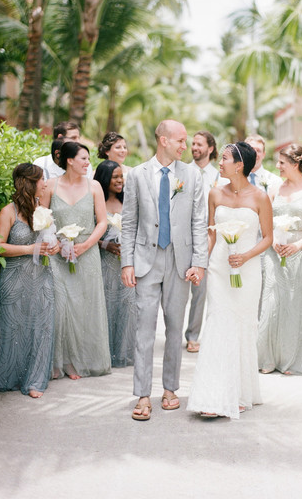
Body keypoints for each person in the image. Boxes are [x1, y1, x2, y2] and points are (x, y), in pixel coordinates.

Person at [121, 120, 208, 421]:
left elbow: (199, 220)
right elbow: (128, 221)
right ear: (163, 140)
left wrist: (199, 261)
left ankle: (170, 389)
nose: (186, 147)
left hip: (180, 261)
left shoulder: (192, 174)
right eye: (181, 141)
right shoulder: (137, 175)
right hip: (145, 259)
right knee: (143, 330)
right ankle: (143, 395)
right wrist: (127, 262)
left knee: (174, 328)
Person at [187, 142, 273, 419]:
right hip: (219, 268)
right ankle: (212, 393)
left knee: (242, 325)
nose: (219, 162)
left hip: (247, 270)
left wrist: (246, 255)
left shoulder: (260, 197)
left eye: (223, 158)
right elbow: (210, 234)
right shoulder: (214, 193)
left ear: (239, 165)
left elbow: (268, 238)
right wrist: (200, 265)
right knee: (218, 321)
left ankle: (238, 393)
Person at [0, 164, 58, 398]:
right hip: (15, 280)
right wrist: (29, 248)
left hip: (42, 278)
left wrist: (55, 245)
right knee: (13, 329)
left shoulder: (42, 210)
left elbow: (49, 239)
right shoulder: (8, 212)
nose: (45, 184)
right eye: (41, 180)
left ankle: (34, 380)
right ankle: (9, 375)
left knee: (42, 327)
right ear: (28, 183)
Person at [42, 142, 111, 379]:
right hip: (57, 255)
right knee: (59, 308)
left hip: (87, 252)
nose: (87, 163)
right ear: (69, 160)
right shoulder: (50, 185)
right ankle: (55, 362)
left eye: (88, 158)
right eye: (83, 158)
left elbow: (102, 221)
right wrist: (56, 243)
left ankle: (75, 362)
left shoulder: (95, 186)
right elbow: (42, 220)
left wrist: (85, 245)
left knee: (84, 306)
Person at [258, 144, 302, 375]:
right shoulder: (275, 189)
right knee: (273, 303)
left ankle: (296, 361)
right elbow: (264, 220)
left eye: (282, 163)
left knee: (299, 304)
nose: (277, 167)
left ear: (295, 165)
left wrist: (297, 245)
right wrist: (274, 238)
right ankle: (269, 358)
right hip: (275, 252)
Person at [94, 160, 138, 367]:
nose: (120, 181)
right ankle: (103, 353)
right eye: (115, 177)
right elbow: (87, 234)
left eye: (121, 176)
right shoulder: (96, 201)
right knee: (106, 306)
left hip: (127, 262)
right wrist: (105, 245)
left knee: (127, 306)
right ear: (104, 179)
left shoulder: (129, 200)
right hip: (104, 263)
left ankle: (124, 352)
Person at [185, 130, 220, 353]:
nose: (195, 147)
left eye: (199, 144)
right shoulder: (182, 172)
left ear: (210, 148)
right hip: (182, 237)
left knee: (200, 291)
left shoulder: (219, 177)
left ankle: (193, 336)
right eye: (193, 144)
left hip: (208, 238)